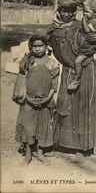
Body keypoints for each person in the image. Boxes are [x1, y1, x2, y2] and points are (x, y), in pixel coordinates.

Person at [47, 0, 96, 162]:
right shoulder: (54, 28)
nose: (67, 14)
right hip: (67, 70)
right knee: (64, 105)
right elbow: (41, 41)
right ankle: (57, 143)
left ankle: (82, 148)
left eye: (71, 11)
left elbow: (95, 41)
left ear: (75, 11)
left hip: (85, 71)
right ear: (58, 10)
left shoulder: (81, 26)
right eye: (63, 10)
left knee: (83, 108)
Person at [14, 34, 59, 166]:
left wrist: (46, 99)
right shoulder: (27, 63)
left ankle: (40, 153)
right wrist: (28, 98)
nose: (38, 49)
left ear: (46, 47)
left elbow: (54, 86)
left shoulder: (52, 64)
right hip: (29, 102)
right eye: (35, 46)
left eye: (40, 46)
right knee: (29, 128)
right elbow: (22, 83)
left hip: (45, 102)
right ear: (30, 47)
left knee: (42, 127)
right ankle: (28, 154)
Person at [68, 0, 96, 90]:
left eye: (87, 11)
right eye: (84, 11)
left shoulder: (93, 22)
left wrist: (83, 20)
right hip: (81, 48)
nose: (84, 13)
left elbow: (89, 31)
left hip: (87, 50)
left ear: (95, 13)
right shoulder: (89, 21)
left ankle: (77, 79)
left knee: (77, 61)